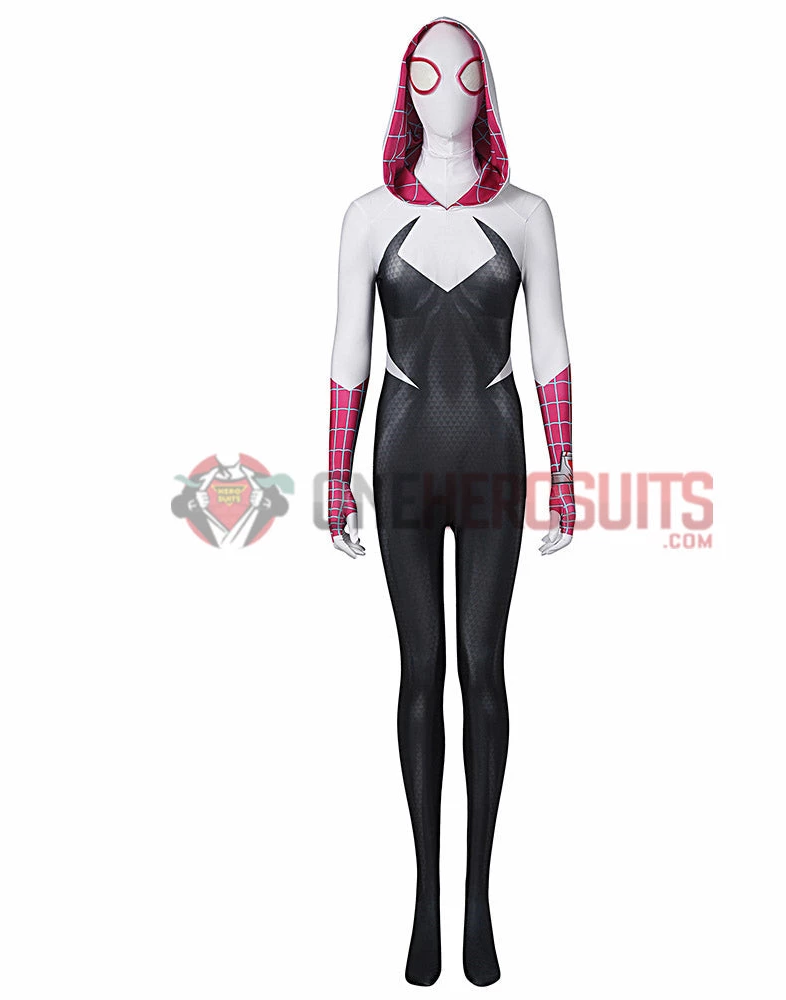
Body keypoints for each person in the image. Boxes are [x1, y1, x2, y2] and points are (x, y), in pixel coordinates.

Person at [326, 18, 574, 986]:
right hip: (401, 459)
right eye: (426, 75)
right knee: (420, 670)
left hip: (494, 458)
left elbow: (550, 347)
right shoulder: (366, 216)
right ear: (405, 88)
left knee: (484, 669)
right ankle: (427, 897)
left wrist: (566, 469)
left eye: (464, 73)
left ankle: (478, 902)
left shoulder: (527, 214)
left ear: (487, 86)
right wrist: (334, 473)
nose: (446, 91)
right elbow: (347, 352)